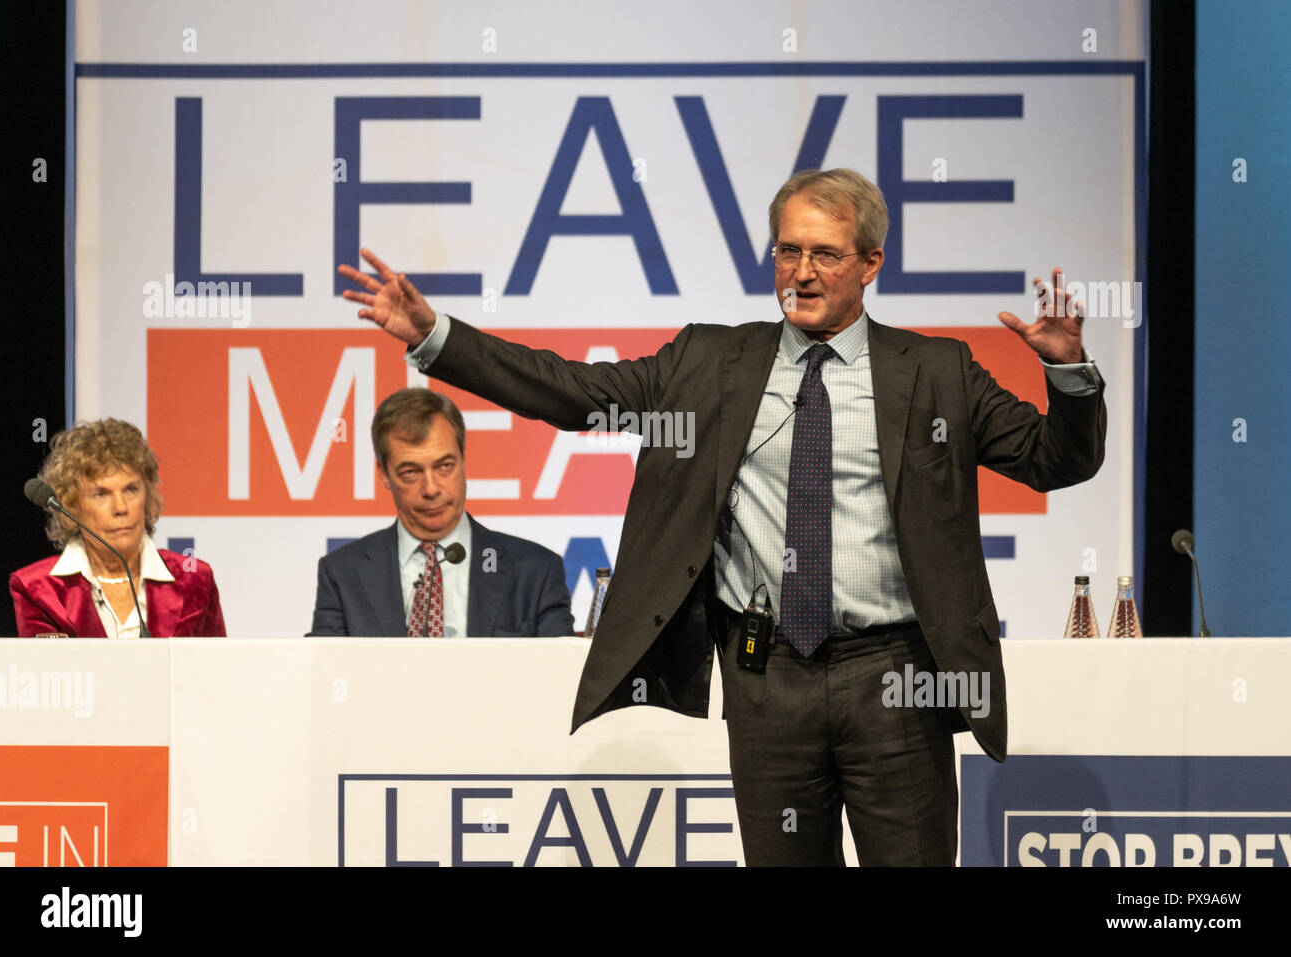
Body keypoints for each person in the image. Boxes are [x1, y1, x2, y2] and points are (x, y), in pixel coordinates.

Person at [337, 168, 1107, 865]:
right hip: (765, 677)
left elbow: (1055, 460)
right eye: (787, 250)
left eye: (826, 254)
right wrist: (437, 338)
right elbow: (571, 391)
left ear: (872, 264)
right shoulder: (710, 362)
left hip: (897, 680)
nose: (801, 271)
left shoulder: (936, 372)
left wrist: (1067, 372)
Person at [308, 387, 575, 637]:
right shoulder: (343, 574)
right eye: (411, 472)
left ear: (463, 459)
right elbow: (324, 675)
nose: (431, 488)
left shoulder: (535, 572)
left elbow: (558, 676)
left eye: (444, 466)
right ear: (384, 474)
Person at [10, 418, 226, 638]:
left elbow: (217, 670)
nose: (121, 508)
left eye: (131, 489)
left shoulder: (195, 580)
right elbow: (48, 672)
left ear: (148, 495)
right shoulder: (37, 589)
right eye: (101, 494)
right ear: (72, 506)